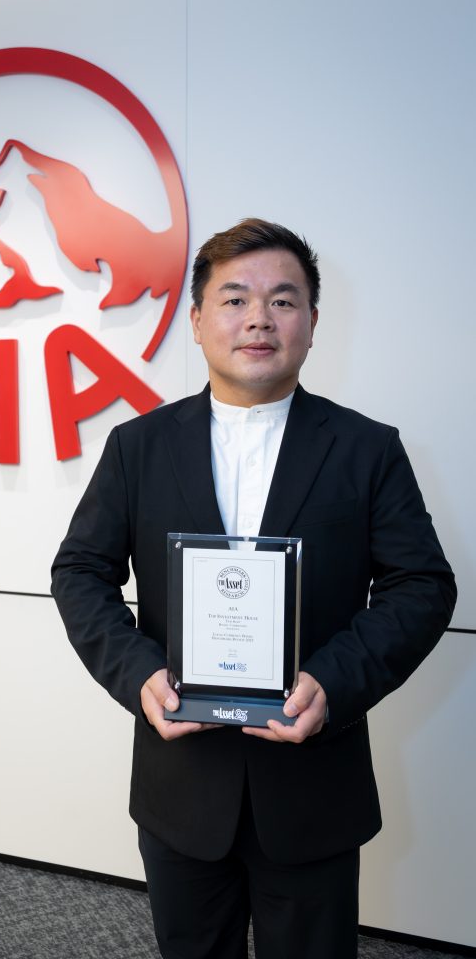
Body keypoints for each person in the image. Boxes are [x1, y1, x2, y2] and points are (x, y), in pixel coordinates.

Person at [51, 218, 456, 959]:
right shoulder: (138, 446)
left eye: (283, 300)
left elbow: (421, 586)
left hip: (312, 786)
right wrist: (137, 673)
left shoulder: (367, 449)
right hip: (180, 783)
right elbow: (79, 572)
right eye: (234, 299)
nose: (259, 319)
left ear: (312, 323)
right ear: (197, 320)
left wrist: (332, 683)